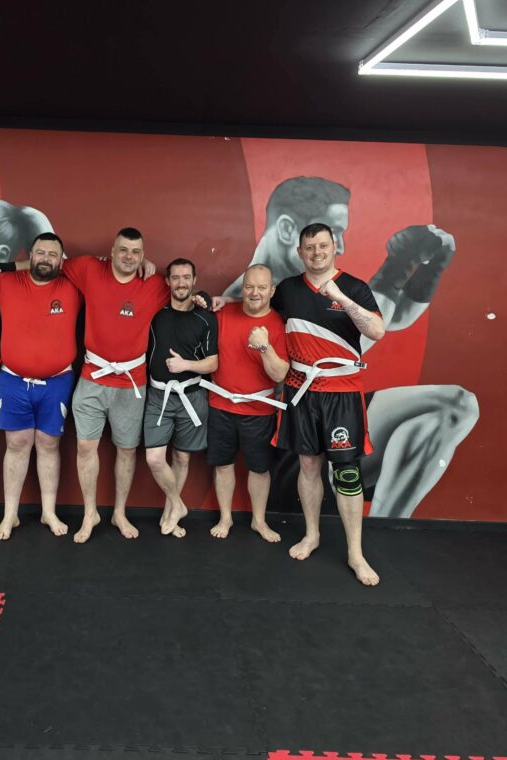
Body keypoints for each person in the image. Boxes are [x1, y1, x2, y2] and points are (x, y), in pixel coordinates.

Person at [222, 176, 478, 519]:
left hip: (331, 407)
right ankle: (373, 527)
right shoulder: (253, 300)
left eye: (332, 240)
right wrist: (396, 268)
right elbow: (342, 343)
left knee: (457, 406)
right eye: (330, 236)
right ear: (288, 231)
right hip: (289, 443)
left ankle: (388, 528)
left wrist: (426, 269)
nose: (337, 247)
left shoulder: (306, 288)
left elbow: (391, 319)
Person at [272, 223, 385, 586]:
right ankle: (312, 535)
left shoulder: (354, 287)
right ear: (300, 252)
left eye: (322, 245)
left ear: (334, 246)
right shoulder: (287, 289)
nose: (316, 252)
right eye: (309, 247)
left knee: (347, 472)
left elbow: (377, 331)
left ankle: (355, 553)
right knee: (308, 465)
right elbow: (256, 309)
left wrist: (343, 299)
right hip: (301, 390)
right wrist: (219, 302)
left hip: (342, 392)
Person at [63, 227, 170, 543]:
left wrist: (217, 300)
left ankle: (119, 513)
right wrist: (8, 267)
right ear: (112, 251)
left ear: (143, 255)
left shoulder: (154, 284)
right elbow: (50, 260)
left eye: (136, 252)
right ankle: (90, 513)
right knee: (86, 446)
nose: (129, 257)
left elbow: (185, 293)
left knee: (127, 450)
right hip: (92, 377)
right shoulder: (89, 269)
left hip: (131, 382)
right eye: (123, 250)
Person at [0, 233, 82, 540]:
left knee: (49, 445)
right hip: (13, 380)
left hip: (57, 381)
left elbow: (112, 268)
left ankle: (49, 511)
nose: (46, 258)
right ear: (30, 255)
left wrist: (145, 263)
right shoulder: (6, 283)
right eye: (40, 253)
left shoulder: (74, 285)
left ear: (61, 260)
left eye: (53, 254)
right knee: (17, 444)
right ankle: (10, 514)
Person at [203, 265, 288, 540]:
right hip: (221, 404)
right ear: (243, 288)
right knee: (223, 465)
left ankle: (259, 521)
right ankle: (225, 518)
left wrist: (264, 346)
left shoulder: (278, 323)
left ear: (271, 291)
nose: (255, 293)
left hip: (259, 410)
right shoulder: (223, 313)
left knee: (259, 468)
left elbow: (279, 374)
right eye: (250, 286)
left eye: (262, 287)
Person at [143, 258, 218, 537]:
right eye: (175, 277)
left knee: (182, 458)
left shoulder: (206, 317)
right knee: (154, 458)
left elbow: (213, 363)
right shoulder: (156, 314)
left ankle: (170, 513)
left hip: (192, 395)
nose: (181, 283)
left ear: (194, 280)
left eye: (186, 277)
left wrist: (185, 364)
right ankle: (178, 504)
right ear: (167, 281)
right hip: (158, 395)